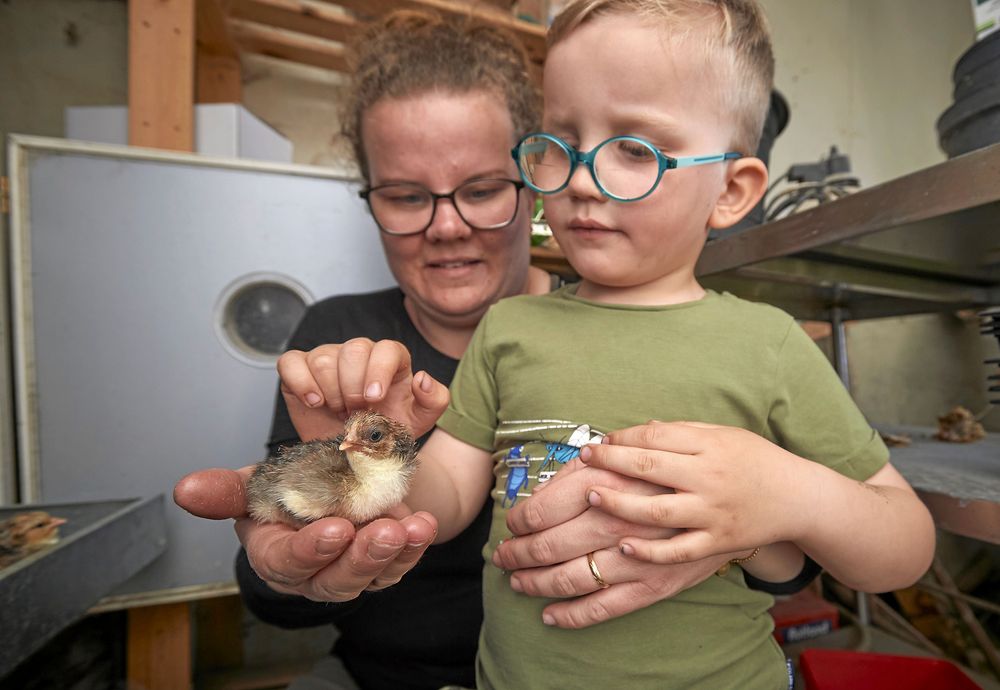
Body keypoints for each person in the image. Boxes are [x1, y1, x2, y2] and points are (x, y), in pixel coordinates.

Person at [328, 1, 936, 688]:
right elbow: (445, 498)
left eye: (633, 149)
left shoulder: (768, 343)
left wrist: (791, 494)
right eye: (562, 143)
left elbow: (905, 544)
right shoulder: (511, 327)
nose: (582, 181)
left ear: (732, 190)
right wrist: (385, 457)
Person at [175, 10, 765, 690]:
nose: (448, 227)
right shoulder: (336, 343)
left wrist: (756, 526)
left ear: (535, 174)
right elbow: (277, 586)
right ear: (369, 200)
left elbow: (770, 566)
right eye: (405, 196)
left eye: (482, 191)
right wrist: (293, 568)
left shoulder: (623, 331)